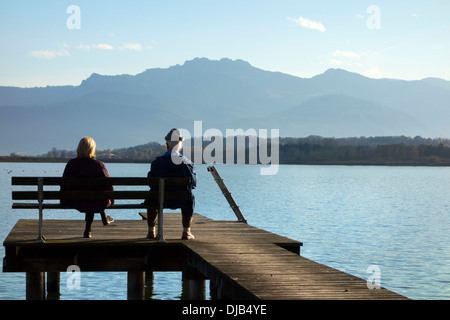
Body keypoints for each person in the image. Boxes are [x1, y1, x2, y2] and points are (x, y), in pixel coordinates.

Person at [144, 128, 197, 240]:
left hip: (158, 199)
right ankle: (186, 232)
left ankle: (151, 232)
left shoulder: (156, 163)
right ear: (180, 146)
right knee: (190, 197)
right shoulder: (187, 164)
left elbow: (151, 183)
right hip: (181, 199)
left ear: (167, 145)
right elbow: (193, 184)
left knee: (151, 195)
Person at [61, 136, 114, 238]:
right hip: (95, 200)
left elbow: (63, 182)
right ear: (92, 149)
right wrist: (111, 200)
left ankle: (90, 229)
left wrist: (63, 197)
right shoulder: (99, 165)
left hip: (74, 200)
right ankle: (89, 229)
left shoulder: (71, 164)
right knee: (93, 196)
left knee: (89, 195)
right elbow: (109, 184)